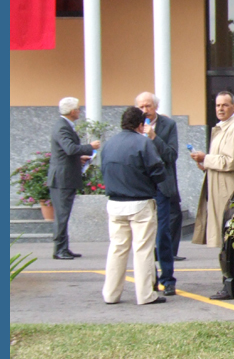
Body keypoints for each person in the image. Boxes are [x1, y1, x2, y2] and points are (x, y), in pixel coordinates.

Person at [100, 106, 168, 305]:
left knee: (117, 249)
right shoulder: (143, 143)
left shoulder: (109, 144)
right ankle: (146, 294)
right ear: (141, 125)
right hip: (139, 202)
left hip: (114, 203)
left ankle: (111, 294)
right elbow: (158, 171)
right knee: (143, 249)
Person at [190, 90, 234, 299]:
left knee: (232, 239)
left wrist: (206, 158)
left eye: (225, 105)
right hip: (220, 192)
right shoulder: (223, 128)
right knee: (227, 240)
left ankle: (232, 284)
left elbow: (233, 161)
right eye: (218, 105)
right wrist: (206, 164)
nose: (220, 109)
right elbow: (221, 160)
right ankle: (230, 283)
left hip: (230, 194)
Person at [135, 91, 180, 295]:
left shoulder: (168, 125)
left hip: (162, 187)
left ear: (155, 107)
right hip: (142, 187)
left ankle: (168, 278)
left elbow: (171, 155)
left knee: (163, 234)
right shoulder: (133, 126)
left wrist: (155, 138)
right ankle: (149, 278)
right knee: (144, 236)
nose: (145, 111)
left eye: (148, 106)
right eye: (141, 107)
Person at [47, 97, 101, 260]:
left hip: (65, 176)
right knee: (62, 215)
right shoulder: (62, 127)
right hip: (62, 179)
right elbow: (70, 149)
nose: (79, 111)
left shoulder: (64, 126)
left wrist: (79, 159)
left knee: (64, 214)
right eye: (78, 108)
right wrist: (90, 147)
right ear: (72, 111)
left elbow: (65, 153)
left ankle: (64, 247)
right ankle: (59, 249)